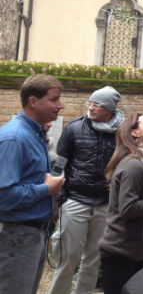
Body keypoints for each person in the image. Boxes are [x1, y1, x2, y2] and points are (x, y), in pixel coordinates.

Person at [49, 86, 124, 294]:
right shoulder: (74, 128)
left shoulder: (122, 132)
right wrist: (59, 199)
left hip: (105, 203)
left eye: (96, 104)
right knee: (66, 258)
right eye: (89, 103)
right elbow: (59, 164)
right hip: (75, 200)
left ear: (109, 107)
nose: (90, 107)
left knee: (93, 261)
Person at [0, 74, 66, 294]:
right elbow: (4, 196)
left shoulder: (35, 134)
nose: (60, 105)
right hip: (17, 236)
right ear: (33, 101)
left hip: (33, 234)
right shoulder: (15, 138)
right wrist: (47, 189)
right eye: (54, 99)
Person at [99, 113, 143, 294]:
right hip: (120, 252)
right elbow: (127, 209)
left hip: (131, 251)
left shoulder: (141, 163)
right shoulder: (133, 165)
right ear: (135, 133)